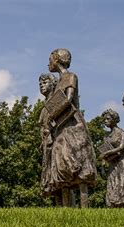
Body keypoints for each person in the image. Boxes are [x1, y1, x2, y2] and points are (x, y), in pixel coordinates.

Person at [47, 48, 96, 208]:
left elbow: (68, 100)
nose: (48, 63)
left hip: (73, 127)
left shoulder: (70, 76)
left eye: (50, 59)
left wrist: (52, 113)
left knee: (80, 167)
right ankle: (67, 211)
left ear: (57, 60)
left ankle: (85, 209)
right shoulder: (57, 84)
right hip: (61, 128)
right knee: (62, 167)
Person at [38, 73, 63, 205]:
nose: (42, 85)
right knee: (52, 179)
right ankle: (60, 208)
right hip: (47, 143)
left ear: (53, 84)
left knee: (60, 176)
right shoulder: (45, 104)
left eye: (45, 83)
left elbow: (61, 119)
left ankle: (69, 207)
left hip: (57, 142)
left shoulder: (56, 99)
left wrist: (51, 129)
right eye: (40, 84)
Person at [100, 109, 124, 207]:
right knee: (113, 183)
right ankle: (114, 205)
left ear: (114, 119)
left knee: (123, 183)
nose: (105, 121)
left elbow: (121, 147)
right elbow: (104, 153)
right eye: (104, 119)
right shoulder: (106, 136)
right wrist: (102, 166)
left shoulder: (122, 132)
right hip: (112, 164)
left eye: (107, 119)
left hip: (122, 163)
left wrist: (107, 152)